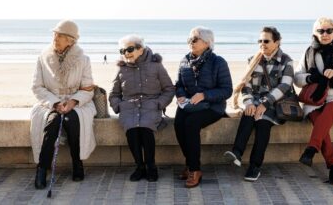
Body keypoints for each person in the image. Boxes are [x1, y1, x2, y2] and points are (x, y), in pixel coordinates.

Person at [30, 20, 97, 189]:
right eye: (54, 34)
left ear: (71, 40)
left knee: (72, 120)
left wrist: (73, 102)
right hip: (50, 102)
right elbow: (37, 87)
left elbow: (88, 89)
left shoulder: (83, 59)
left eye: (60, 35)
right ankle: (41, 169)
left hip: (77, 103)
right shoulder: (43, 57)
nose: (55, 38)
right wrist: (55, 103)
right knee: (53, 123)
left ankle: (77, 163)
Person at [224, 27, 295, 181]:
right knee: (248, 114)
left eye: (266, 41)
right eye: (260, 41)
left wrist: (265, 103)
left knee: (262, 123)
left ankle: (254, 167)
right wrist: (248, 102)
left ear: (277, 42)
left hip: (275, 103)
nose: (262, 44)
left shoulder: (286, 61)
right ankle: (236, 153)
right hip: (256, 101)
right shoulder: (253, 59)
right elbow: (245, 85)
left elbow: (285, 86)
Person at [294, 17, 333, 184]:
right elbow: (297, 78)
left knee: (330, 110)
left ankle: (311, 149)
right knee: (319, 121)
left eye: (329, 30)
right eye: (320, 31)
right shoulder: (308, 52)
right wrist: (310, 78)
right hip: (314, 99)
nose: (325, 34)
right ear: (314, 33)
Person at [109, 34, 174, 182]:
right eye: (122, 51)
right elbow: (114, 93)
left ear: (141, 49)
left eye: (129, 49)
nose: (126, 53)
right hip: (128, 108)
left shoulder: (156, 65)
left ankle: (151, 166)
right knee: (132, 131)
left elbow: (169, 89)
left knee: (145, 129)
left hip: (151, 106)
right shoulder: (121, 69)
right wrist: (118, 106)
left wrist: (159, 104)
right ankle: (140, 167)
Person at [174, 26, 232, 188]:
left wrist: (205, 95)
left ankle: (195, 170)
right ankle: (190, 163)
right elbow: (179, 84)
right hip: (189, 105)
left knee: (191, 124)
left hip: (212, 107)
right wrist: (180, 95)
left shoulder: (218, 62)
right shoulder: (184, 60)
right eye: (189, 39)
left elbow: (227, 90)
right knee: (178, 124)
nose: (190, 42)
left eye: (194, 39)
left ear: (207, 43)